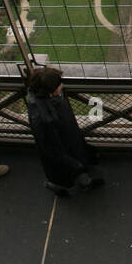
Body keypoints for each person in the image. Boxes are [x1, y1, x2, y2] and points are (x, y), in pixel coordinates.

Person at [26, 67, 102, 196]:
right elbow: (52, 149)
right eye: (58, 84)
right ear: (49, 91)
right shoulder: (44, 117)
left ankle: (72, 181)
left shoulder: (47, 100)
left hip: (67, 141)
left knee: (66, 170)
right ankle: (60, 186)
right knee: (67, 169)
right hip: (63, 149)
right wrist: (74, 163)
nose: (62, 85)